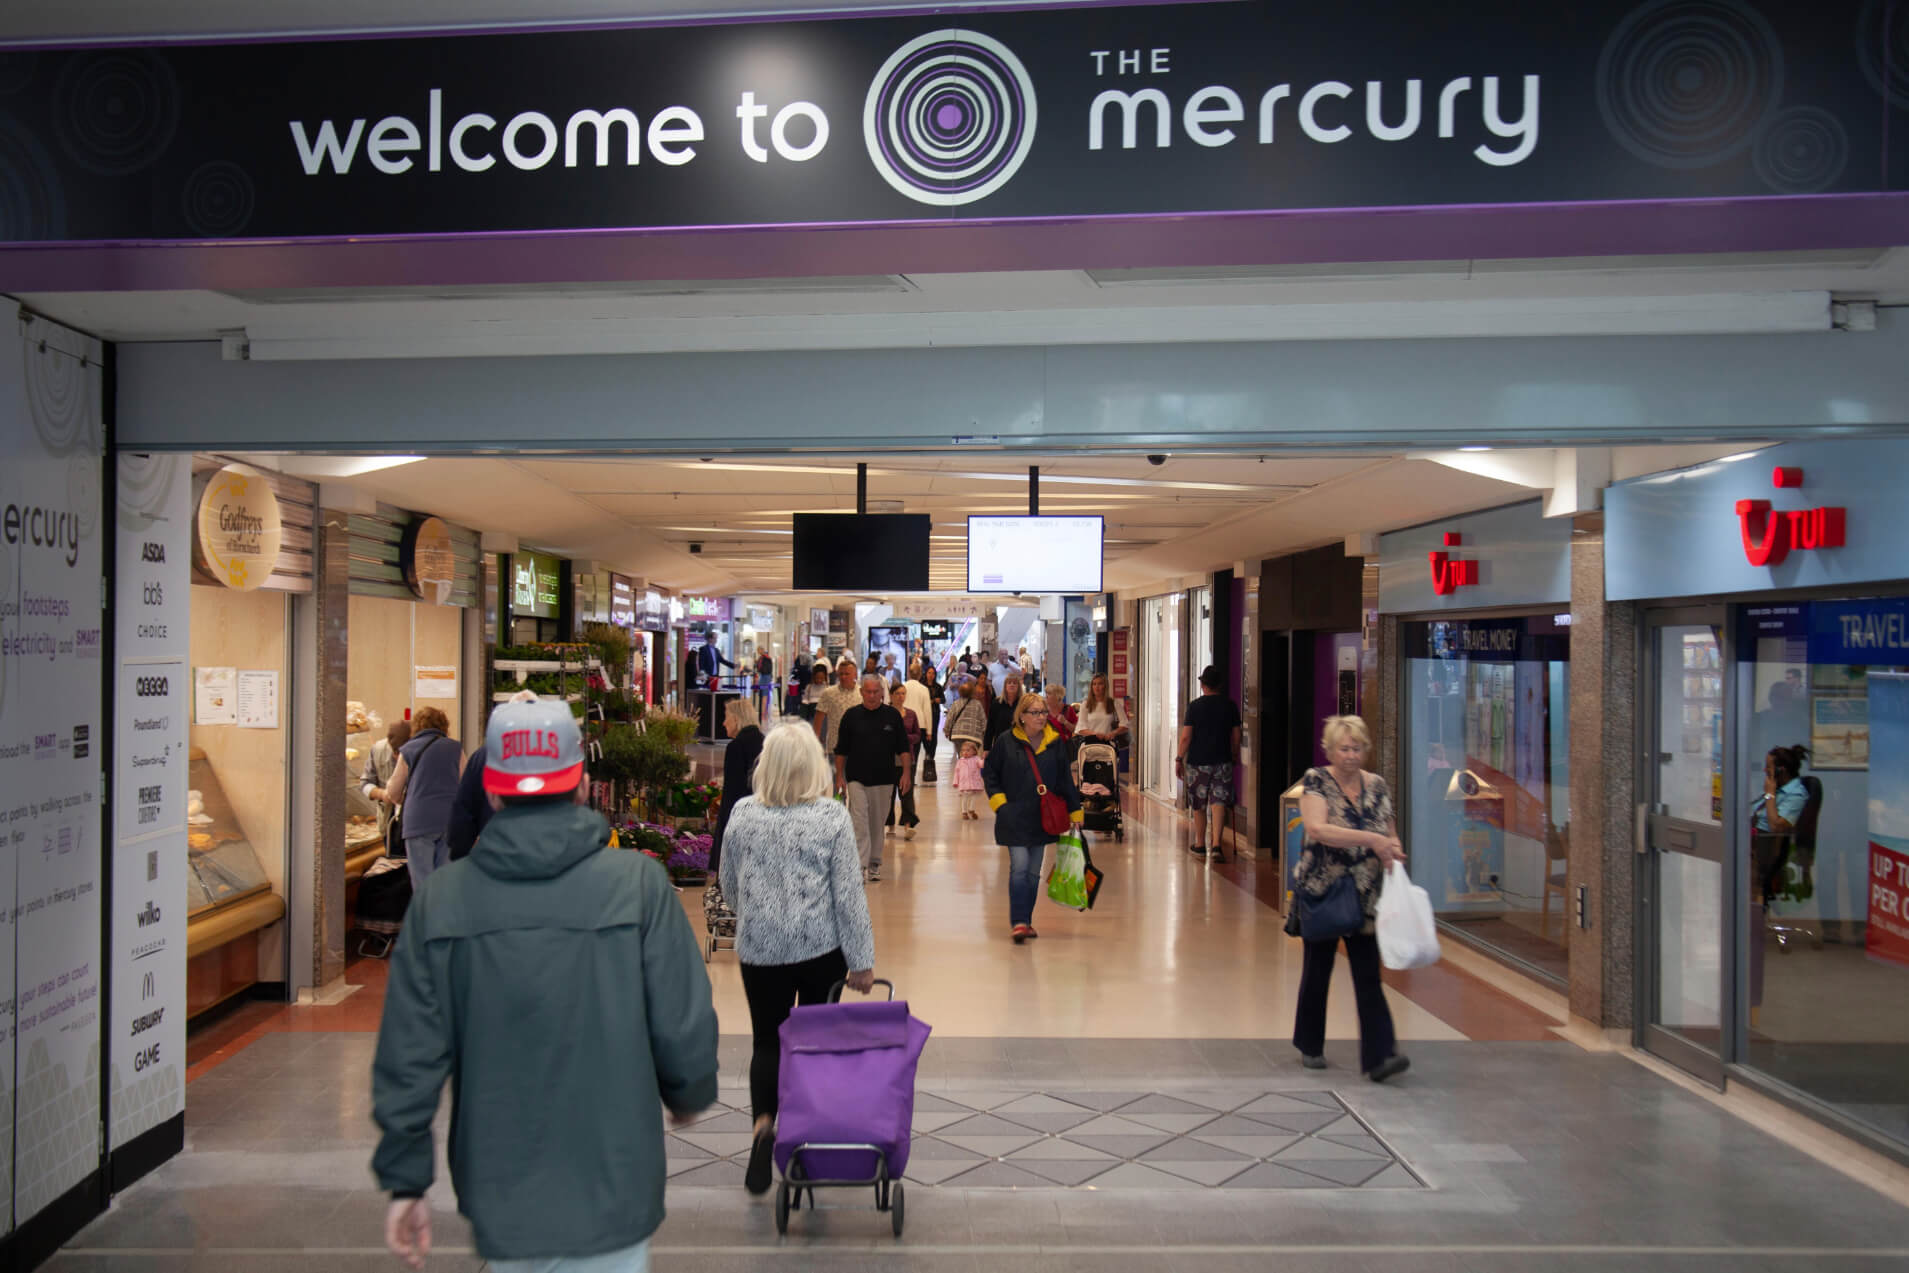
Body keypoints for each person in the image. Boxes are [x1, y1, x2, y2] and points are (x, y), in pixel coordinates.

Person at [373, 693, 719, 1273]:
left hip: (500, 1186)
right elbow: (682, 1019)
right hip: (617, 1178)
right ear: (583, 782)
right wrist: (687, 1092)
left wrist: (406, 1181)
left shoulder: (444, 901)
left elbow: (409, 1054)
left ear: (489, 789)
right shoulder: (637, 885)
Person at [720, 723, 876, 1196]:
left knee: (767, 1041)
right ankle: (803, 1142)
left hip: (760, 948)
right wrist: (861, 960)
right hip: (820, 950)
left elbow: (729, 884)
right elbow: (847, 896)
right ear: (815, 766)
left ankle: (763, 1126)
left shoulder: (743, 814)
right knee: (811, 1044)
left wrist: (755, 914)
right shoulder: (831, 817)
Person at [1291, 715, 1410, 1083]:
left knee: (1368, 976)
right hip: (1324, 889)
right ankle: (1309, 1042)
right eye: (1344, 748)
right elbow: (1317, 829)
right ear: (1330, 749)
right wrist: (1371, 841)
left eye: (1357, 748)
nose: (1351, 755)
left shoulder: (1377, 786)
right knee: (1318, 970)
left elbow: (1389, 833)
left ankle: (1380, 1056)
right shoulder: (1316, 781)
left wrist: (1392, 851)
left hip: (1366, 896)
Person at [983, 694, 1083, 943]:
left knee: (1032, 874)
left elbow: (1064, 781)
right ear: (1022, 716)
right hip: (1013, 816)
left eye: (1043, 712)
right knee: (1018, 868)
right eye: (1035, 713)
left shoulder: (1055, 742)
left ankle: (1026, 921)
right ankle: (1018, 922)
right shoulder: (1006, 742)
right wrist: (1000, 803)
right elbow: (990, 774)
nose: (1041, 717)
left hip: (1043, 817)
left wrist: (1075, 811)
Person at [834, 675, 910, 884]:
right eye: (868, 691)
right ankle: (859, 865)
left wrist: (906, 773)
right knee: (859, 822)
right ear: (861, 692)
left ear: (882, 693)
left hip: (884, 779)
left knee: (877, 823)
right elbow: (841, 750)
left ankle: (874, 862)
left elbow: (903, 747)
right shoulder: (851, 716)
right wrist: (839, 777)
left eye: (876, 692)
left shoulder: (892, 716)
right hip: (856, 778)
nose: (872, 695)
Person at [384, 707, 465, 890]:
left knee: (421, 880)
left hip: (418, 821)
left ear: (417, 726)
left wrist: (398, 800)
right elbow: (466, 783)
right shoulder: (455, 748)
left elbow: (394, 789)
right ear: (444, 726)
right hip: (449, 821)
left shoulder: (409, 750)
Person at [1176, 665, 1243, 862]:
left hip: (1198, 762)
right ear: (1219, 685)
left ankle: (1199, 844)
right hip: (1222, 760)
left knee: (1198, 803)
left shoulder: (1194, 706)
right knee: (1218, 802)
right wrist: (1234, 755)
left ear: (1203, 684)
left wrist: (1179, 758)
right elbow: (1236, 736)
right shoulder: (1230, 706)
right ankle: (1216, 845)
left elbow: (1186, 737)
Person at [710, 697, 765, 879]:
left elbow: (732, 792)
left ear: (737, 719)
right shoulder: (764, 741)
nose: (724, 723)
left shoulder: (737, 746)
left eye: (727, 717)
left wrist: (724, 825)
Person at [361, 718, 412, 851]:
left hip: (414, 823)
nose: (397, 756)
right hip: (389, 822)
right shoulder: (378, 749)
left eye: (402, 753)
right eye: (395, 752)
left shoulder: (421, 753)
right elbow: (365, 783)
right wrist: (381, 794)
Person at [884, 681, 922, 839]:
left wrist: (904, 739)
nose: (901, 697)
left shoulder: (911, 714)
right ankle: (890, 824)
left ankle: (908, 826)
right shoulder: (885, 713)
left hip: (907, 759)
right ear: (891, 696)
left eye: (903, 693)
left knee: (906, 793)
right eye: (898, 693)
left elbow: (917, 735)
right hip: (888, 760)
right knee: (889, 793)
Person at [813, 659, 860, 753]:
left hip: (858, 748)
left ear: (855, 675)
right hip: (834, 747)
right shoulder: (828, 693)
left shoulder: (862, 693)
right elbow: (818, 719)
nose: (843, 677)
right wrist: (815, 741)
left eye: (847, 674)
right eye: (841, 673)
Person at [1076, 674, 1131, 751]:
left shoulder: (1113, 703)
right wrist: (1095, 735)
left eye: (1100, 684)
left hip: (1108, 746)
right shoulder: (1085, 704)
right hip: (1089, 746)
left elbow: (1125, 725)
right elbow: (1081, 728)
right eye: (1094, 684)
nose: (1097, 687)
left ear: (1105, 686)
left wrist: (1113, 733)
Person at [944, 678, 987, 761]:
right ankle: (969, 772)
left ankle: (963, 771)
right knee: (972, 758)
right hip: (974, 736)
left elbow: (950, 718)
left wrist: (947, 730)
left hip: (958, 735)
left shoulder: (956, 703)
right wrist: (985, 734)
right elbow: (983, 721)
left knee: (962, 757)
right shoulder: (977, 704)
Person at [917, 663, 944, 782]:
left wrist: (938, 700)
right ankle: (927, 755)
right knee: (924, 736)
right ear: (925, 674)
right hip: (923, 714)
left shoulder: (938, 687)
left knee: (933, 736)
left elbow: (943, 699)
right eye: (929, 673)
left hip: (935, 714)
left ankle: (930, 758)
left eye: (933, 673)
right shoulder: (921, 686)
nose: (931, 675)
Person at [985, 674, 1023, 753]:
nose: (1012, 685)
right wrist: (986, 748)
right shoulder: (997, 703)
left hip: (1019, 743)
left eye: (1014, 683)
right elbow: (990, 727)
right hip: (1000, 743)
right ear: (1005, 686)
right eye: (1009, 683)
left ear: (1019, 687)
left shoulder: (1023, 703)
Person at [953, 740, 985, 820]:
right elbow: (957, 772)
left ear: (974, 751)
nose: (965, 752)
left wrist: (984, 759)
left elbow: (982, 765)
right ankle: (964, 812)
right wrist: (955, 782)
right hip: (964, 783)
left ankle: (971, 809)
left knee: (974, 796)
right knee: (965, 797)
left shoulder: (976, 759)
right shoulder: (960, 761)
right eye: (963, 750)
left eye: (968, 750)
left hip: (975, 782)